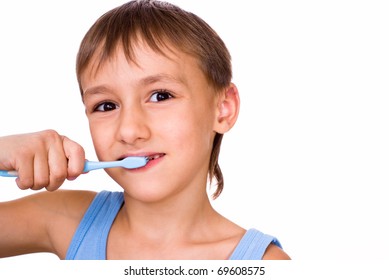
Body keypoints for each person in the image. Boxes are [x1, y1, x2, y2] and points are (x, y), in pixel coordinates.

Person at [0, 0, 290, 260]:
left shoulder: (262, 263)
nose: (128, 130)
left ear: (223, 108)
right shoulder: (62, 217)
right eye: (106, 105)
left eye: (160, 96)